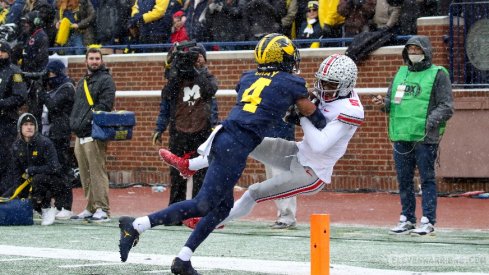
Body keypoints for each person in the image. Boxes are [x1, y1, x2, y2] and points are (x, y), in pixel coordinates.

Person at [118, 33, 326, 274]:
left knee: (222, 208)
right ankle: (136, 225)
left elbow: (261, 101)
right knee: (203, 204)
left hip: (224, 136)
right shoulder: (291, 83)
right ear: (283, 58)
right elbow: (317, 118)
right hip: (234, 146)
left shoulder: (248, 77)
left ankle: (183, 259)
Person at [160, 54, 364, 230]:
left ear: (346, 85)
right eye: (322, 81)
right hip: (299, 152)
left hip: (312, 172)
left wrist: (302, 116)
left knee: (253, 192)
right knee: (243, 139)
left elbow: (320, 144)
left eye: (330, 84)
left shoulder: (350, 109)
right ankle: (190, 166)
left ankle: (211, 221)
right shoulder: (328, 94)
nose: (323, 88)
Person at [371, 36, 454, 236]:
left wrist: (428, 122)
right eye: (411, 49)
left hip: (425, 137)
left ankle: (428, 220)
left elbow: (446, 107)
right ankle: (407, 218)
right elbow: (392, 102)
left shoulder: (438, 74)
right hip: (401, 134)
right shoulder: (401, 74)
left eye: (418, 49)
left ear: (425, 51)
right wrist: (383, 103)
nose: (414, 53)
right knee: (404, 179)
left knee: (427, 179)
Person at [151, 43, 218, 206]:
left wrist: (196, 72)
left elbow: (210, 91)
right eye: (194, 57)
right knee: (177, 173)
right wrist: (160, 128)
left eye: (199, 56)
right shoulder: (176, 79)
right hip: (179, 131)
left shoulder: (207, 78)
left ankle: (198, 208)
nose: (196, 60)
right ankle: (176, 209)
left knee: (201, 172)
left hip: (202, 130)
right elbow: (166, 101)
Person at [69, 47, 115, 222]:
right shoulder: (82, 81)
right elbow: (77, 107)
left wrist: (87, 121)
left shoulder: (106, 80)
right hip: (80, 134)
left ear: (101, 61)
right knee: (84, 173)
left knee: (97, 172)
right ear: (86, 61)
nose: (94, 61)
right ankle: (90, 206)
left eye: (97, 58)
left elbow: (105, 105)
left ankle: (103, 208)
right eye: (92, 58)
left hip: (94, 133)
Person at [4, 113, 63, 226]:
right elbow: (16, 172)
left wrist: (33, 170)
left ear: (36, 127)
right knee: (9, 193)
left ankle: (47, 208)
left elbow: (54, 167)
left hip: (52, 180)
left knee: (38, 179)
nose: (29, 127)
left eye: (32, 124)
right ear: (20, 128)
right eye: (25, 124)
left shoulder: (45, 143)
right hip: (29, 180)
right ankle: (34, 207)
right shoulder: (17, 146)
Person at [38, 59, 75, 220]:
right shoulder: (54, 87)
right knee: (50, 170)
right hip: (49, 135)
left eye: (51, 73)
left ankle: (65, 206)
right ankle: (51, 204)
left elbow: (53, 105)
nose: (49, 76)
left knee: (62, 170)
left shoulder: (66, 87)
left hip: (60, 135)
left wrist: (42, 92)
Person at [0, 40, 28, 195]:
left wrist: (2, 103)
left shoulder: (14, 72)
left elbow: (20, 97)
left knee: (5, 158)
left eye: (2, 51)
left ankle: (5, 193)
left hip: (6, 122)